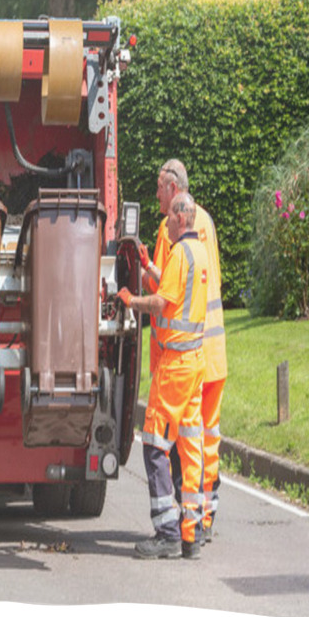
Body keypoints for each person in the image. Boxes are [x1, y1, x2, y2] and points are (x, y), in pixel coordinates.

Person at [138, 160, 227, 542]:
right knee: (199, 438)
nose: (156, 193)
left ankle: (182, 525)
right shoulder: (202, 222)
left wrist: (139, 290)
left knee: (170, 440)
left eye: (159, 187)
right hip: (207, 351)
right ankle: (198, 521)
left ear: (173, 190)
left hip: (185, 352)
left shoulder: (176, 226)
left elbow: (170, 295)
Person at [118, 192, 208, 559]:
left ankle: (166, 532)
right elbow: (173, 288)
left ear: (180, 219)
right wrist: (149, 267)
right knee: (189, 446)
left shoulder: (180, 253)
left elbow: (160, 302)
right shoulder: (197, 253)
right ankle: (192, 532)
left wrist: (130, 300)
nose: (166, 223)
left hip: (174, 367)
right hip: (195, 362)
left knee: (155, 445)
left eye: (170, 218)